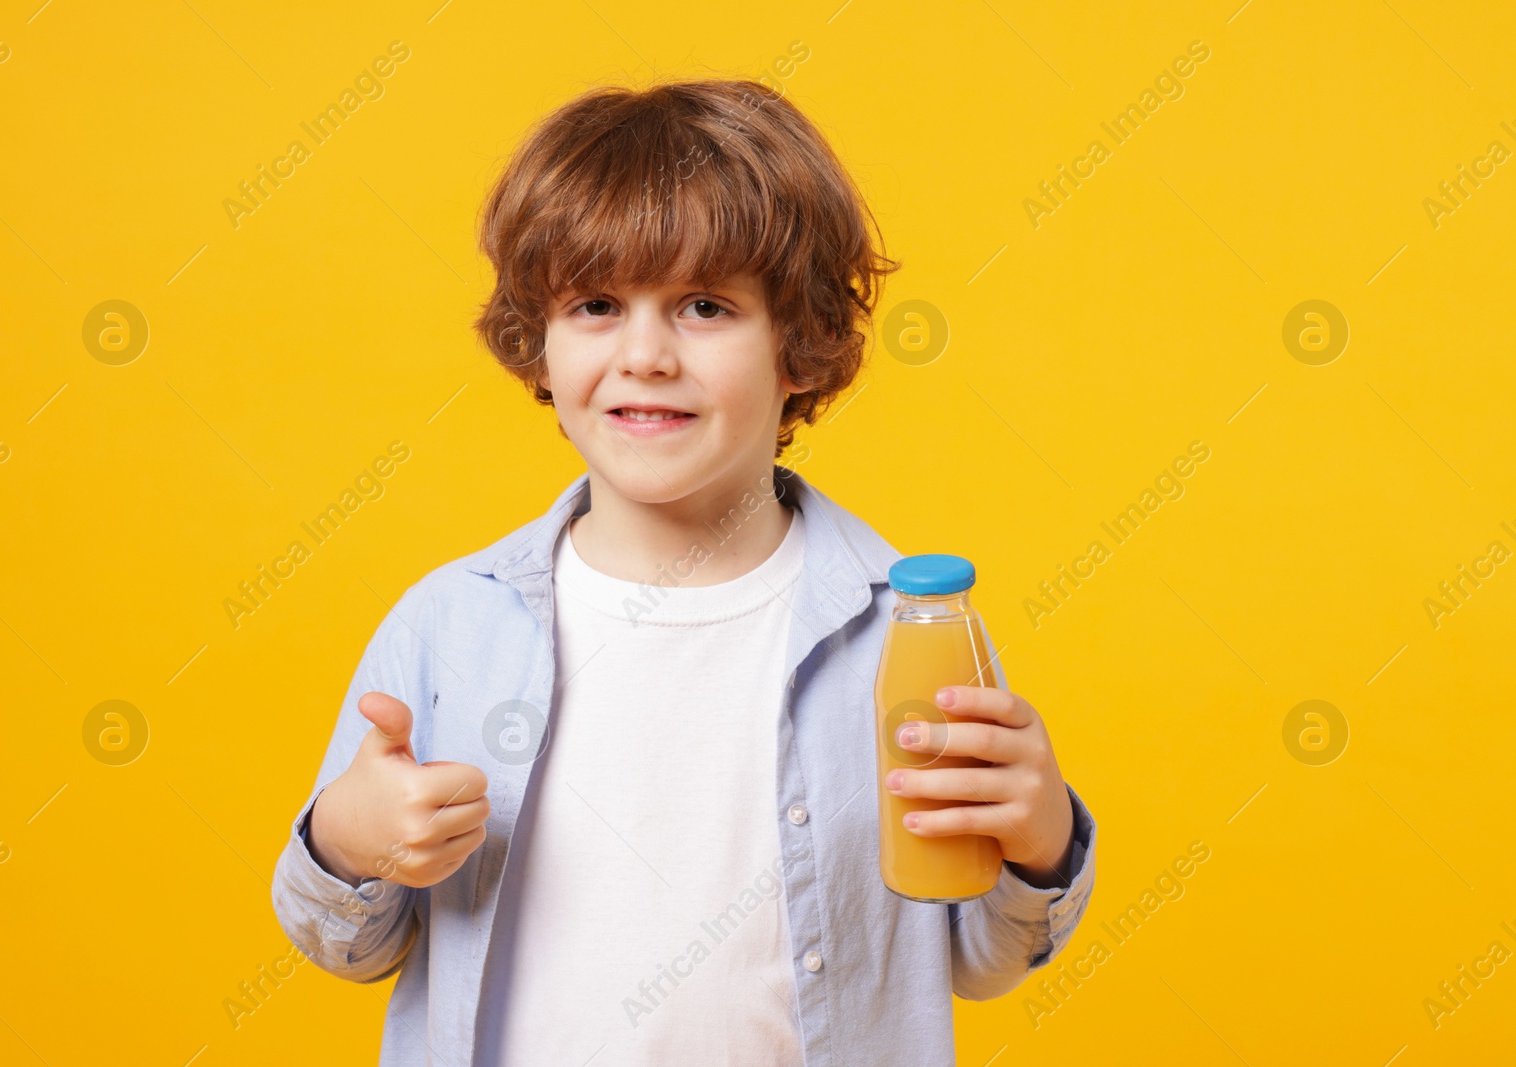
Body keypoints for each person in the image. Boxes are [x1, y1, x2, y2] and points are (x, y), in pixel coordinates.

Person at [271, 77, 1096, 1066]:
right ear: (538, 341)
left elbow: (979, 955)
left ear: (798, 344)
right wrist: (342, 841)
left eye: (704, 306)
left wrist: (1042, 839)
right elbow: (345, 943)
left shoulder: (906, 632)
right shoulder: (450, 625)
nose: (646, 354)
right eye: (596, 304)